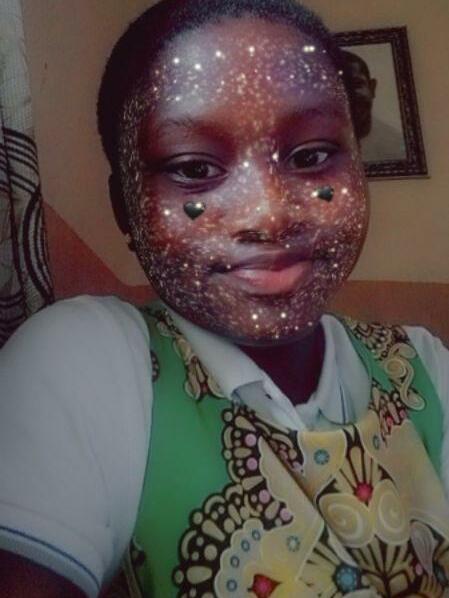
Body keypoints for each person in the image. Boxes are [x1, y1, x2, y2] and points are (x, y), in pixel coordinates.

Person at [1, 0, 449, 596]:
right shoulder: (88, 363)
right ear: (124, 206)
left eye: (312, 156)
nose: (268, 215)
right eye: (194, 168)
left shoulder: (425, 368)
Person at [341, 49, 406, 162]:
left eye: (356, 84)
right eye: (339, 86)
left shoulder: (398, 147)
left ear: (372, 88)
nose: (349, 95)